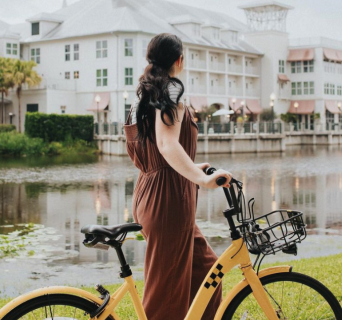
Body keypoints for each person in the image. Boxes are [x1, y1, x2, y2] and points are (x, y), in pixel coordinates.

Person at [123, 33, 232, 320]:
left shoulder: (143, 98)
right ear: (179, 60)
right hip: (169, 202)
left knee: (208, 273)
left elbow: (158, 152)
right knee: (165, 299)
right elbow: (167, 144)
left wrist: (196, 168)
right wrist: (202, 180)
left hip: (150, 193)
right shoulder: (171, 91)